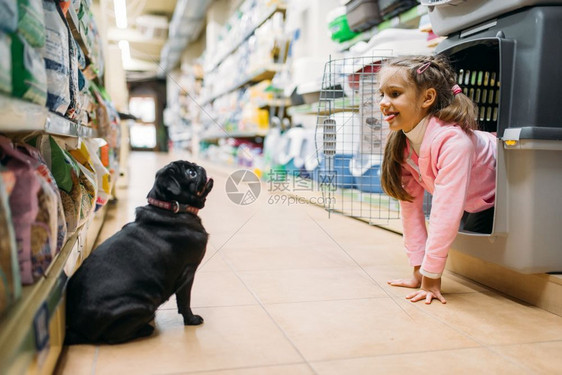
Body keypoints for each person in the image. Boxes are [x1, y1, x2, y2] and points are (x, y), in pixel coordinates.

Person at [378, 55, 497, 304]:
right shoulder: (402, 145)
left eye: (394, 93)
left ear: (427, 98)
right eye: (382, 94)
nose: (383, 103)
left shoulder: (454, 142)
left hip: (503, 192)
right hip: (474, 200)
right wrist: (418, 270)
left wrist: (431, 278)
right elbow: (410, 210)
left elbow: (445, 212)